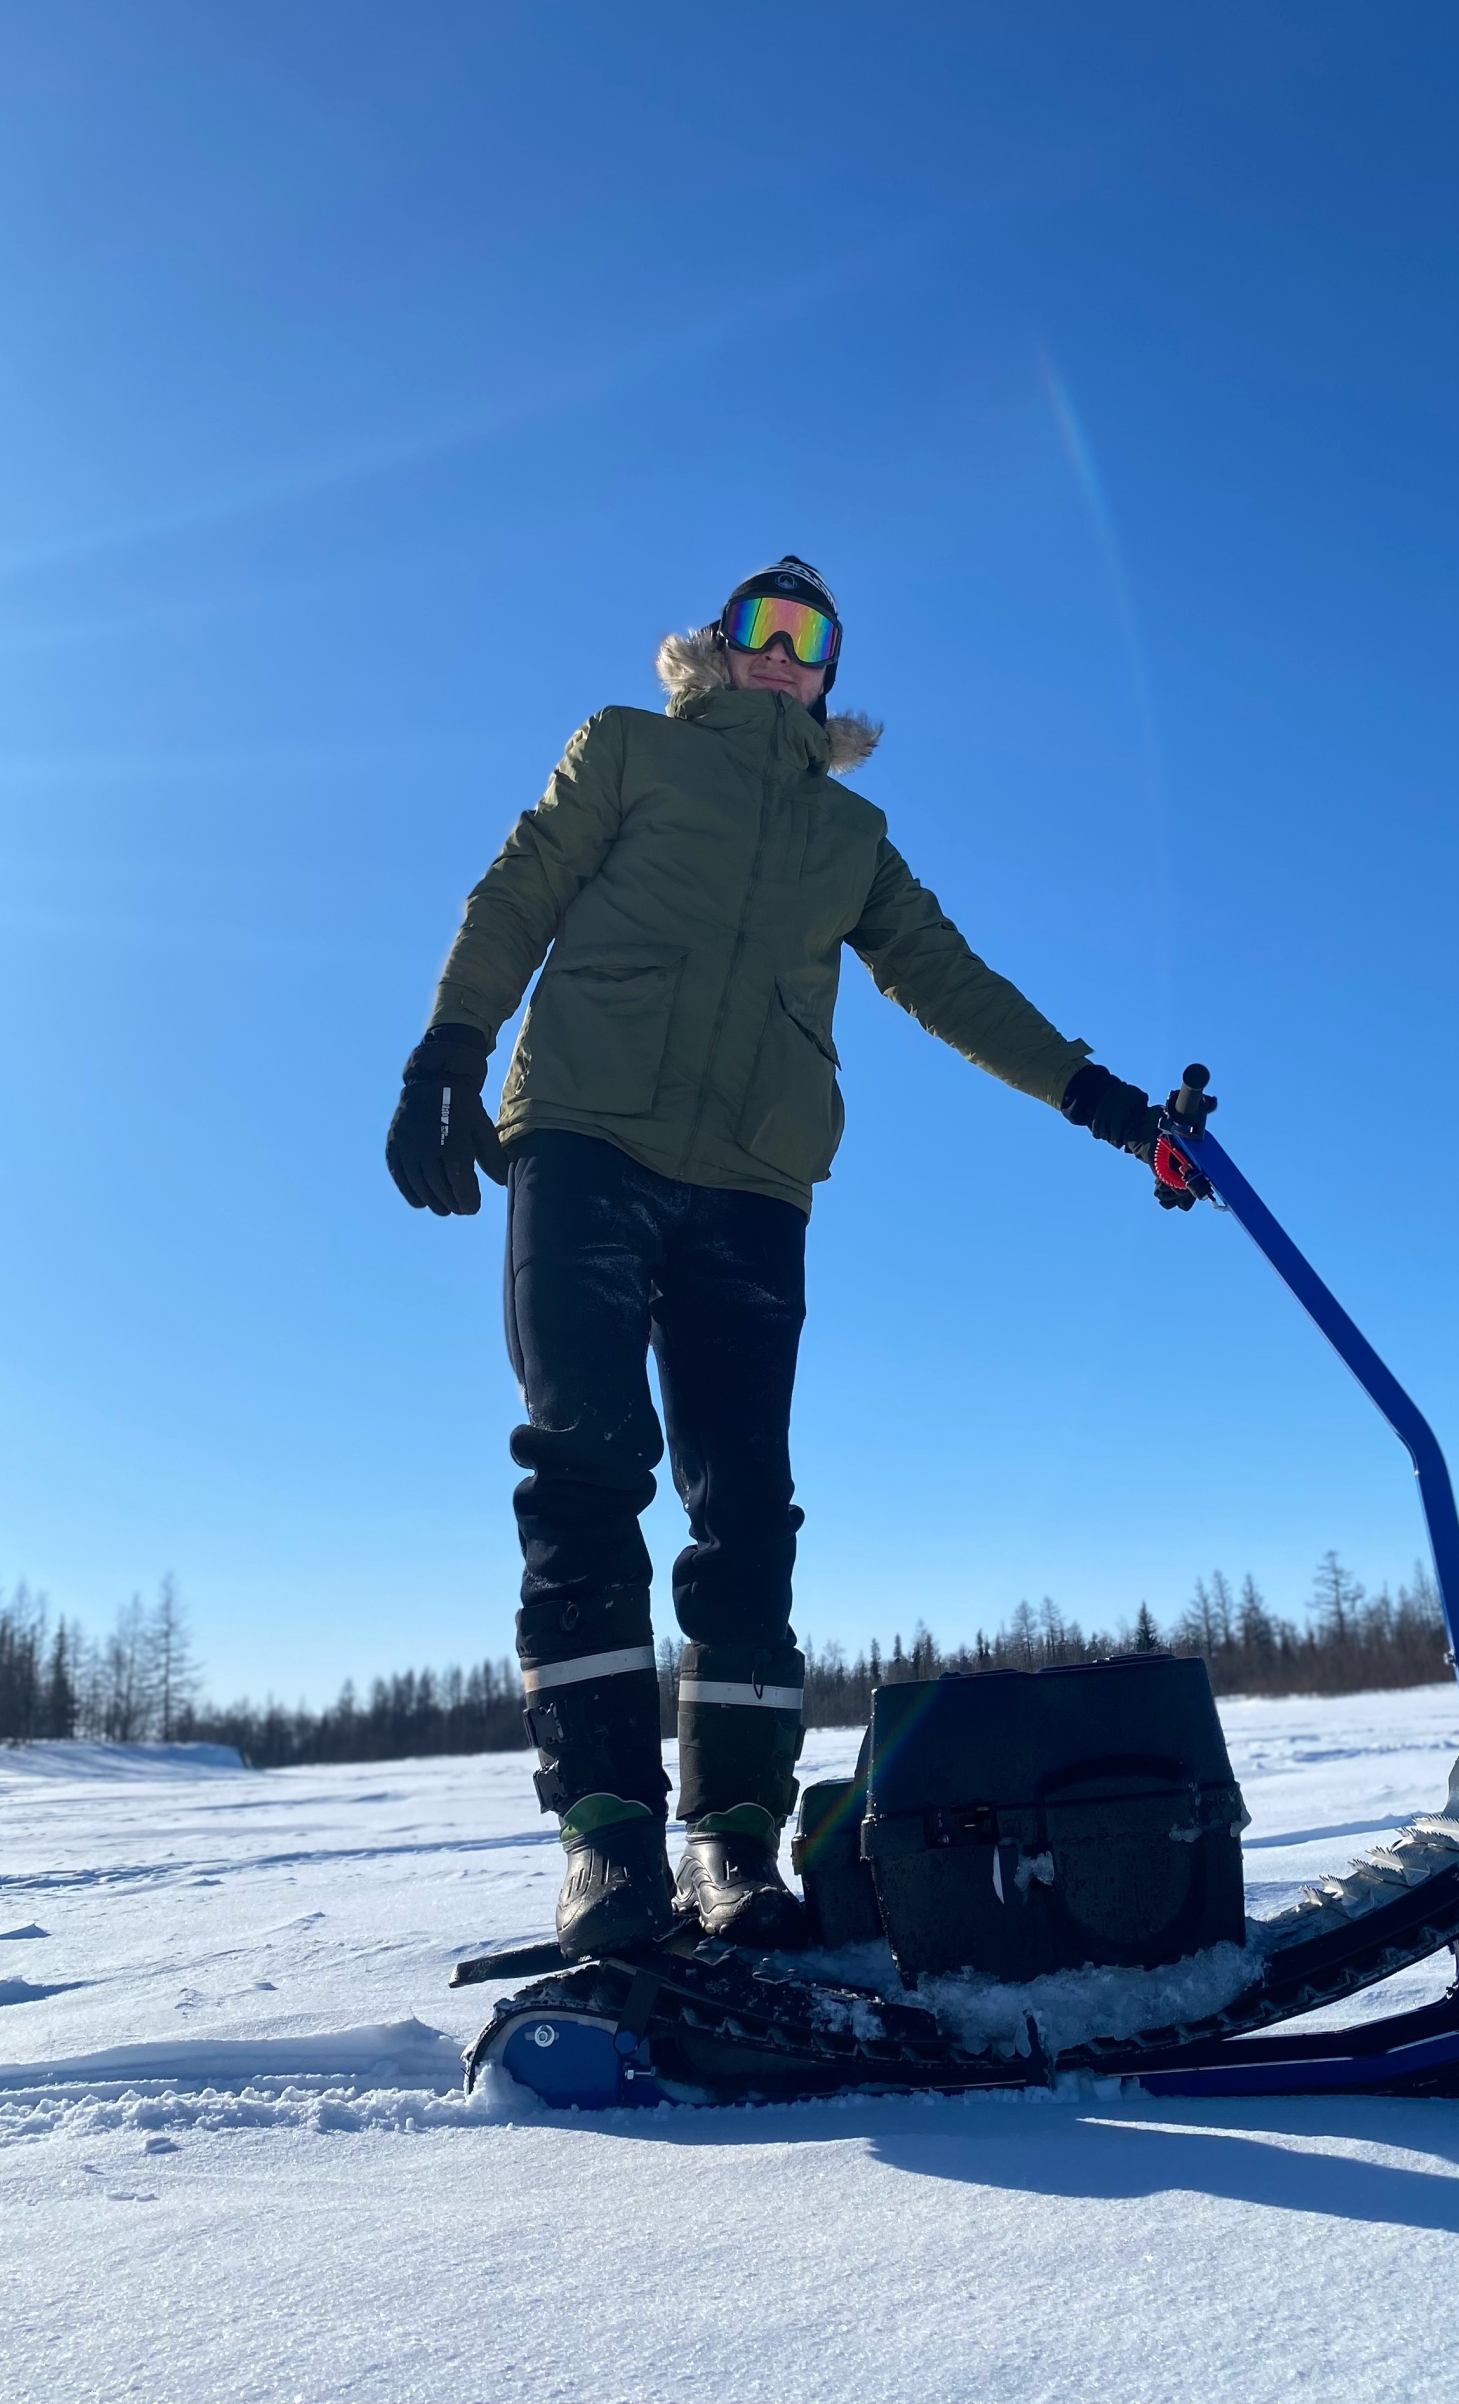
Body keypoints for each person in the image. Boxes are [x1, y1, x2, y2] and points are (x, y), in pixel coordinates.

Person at [385, 557, 1181, 1958]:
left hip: (754, 1186)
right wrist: (451, 1045)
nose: (781, 649)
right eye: (759, 625)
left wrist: (1110, 1109)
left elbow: (952, 981)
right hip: (584, 1138)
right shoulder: (627, 749)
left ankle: (734, 1847)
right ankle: (609, 1842)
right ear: (716, 646)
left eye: (809, 636)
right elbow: (519, 888)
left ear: (828, 675)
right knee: (585, 1459)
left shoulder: (848, 835)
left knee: (745, 1507)